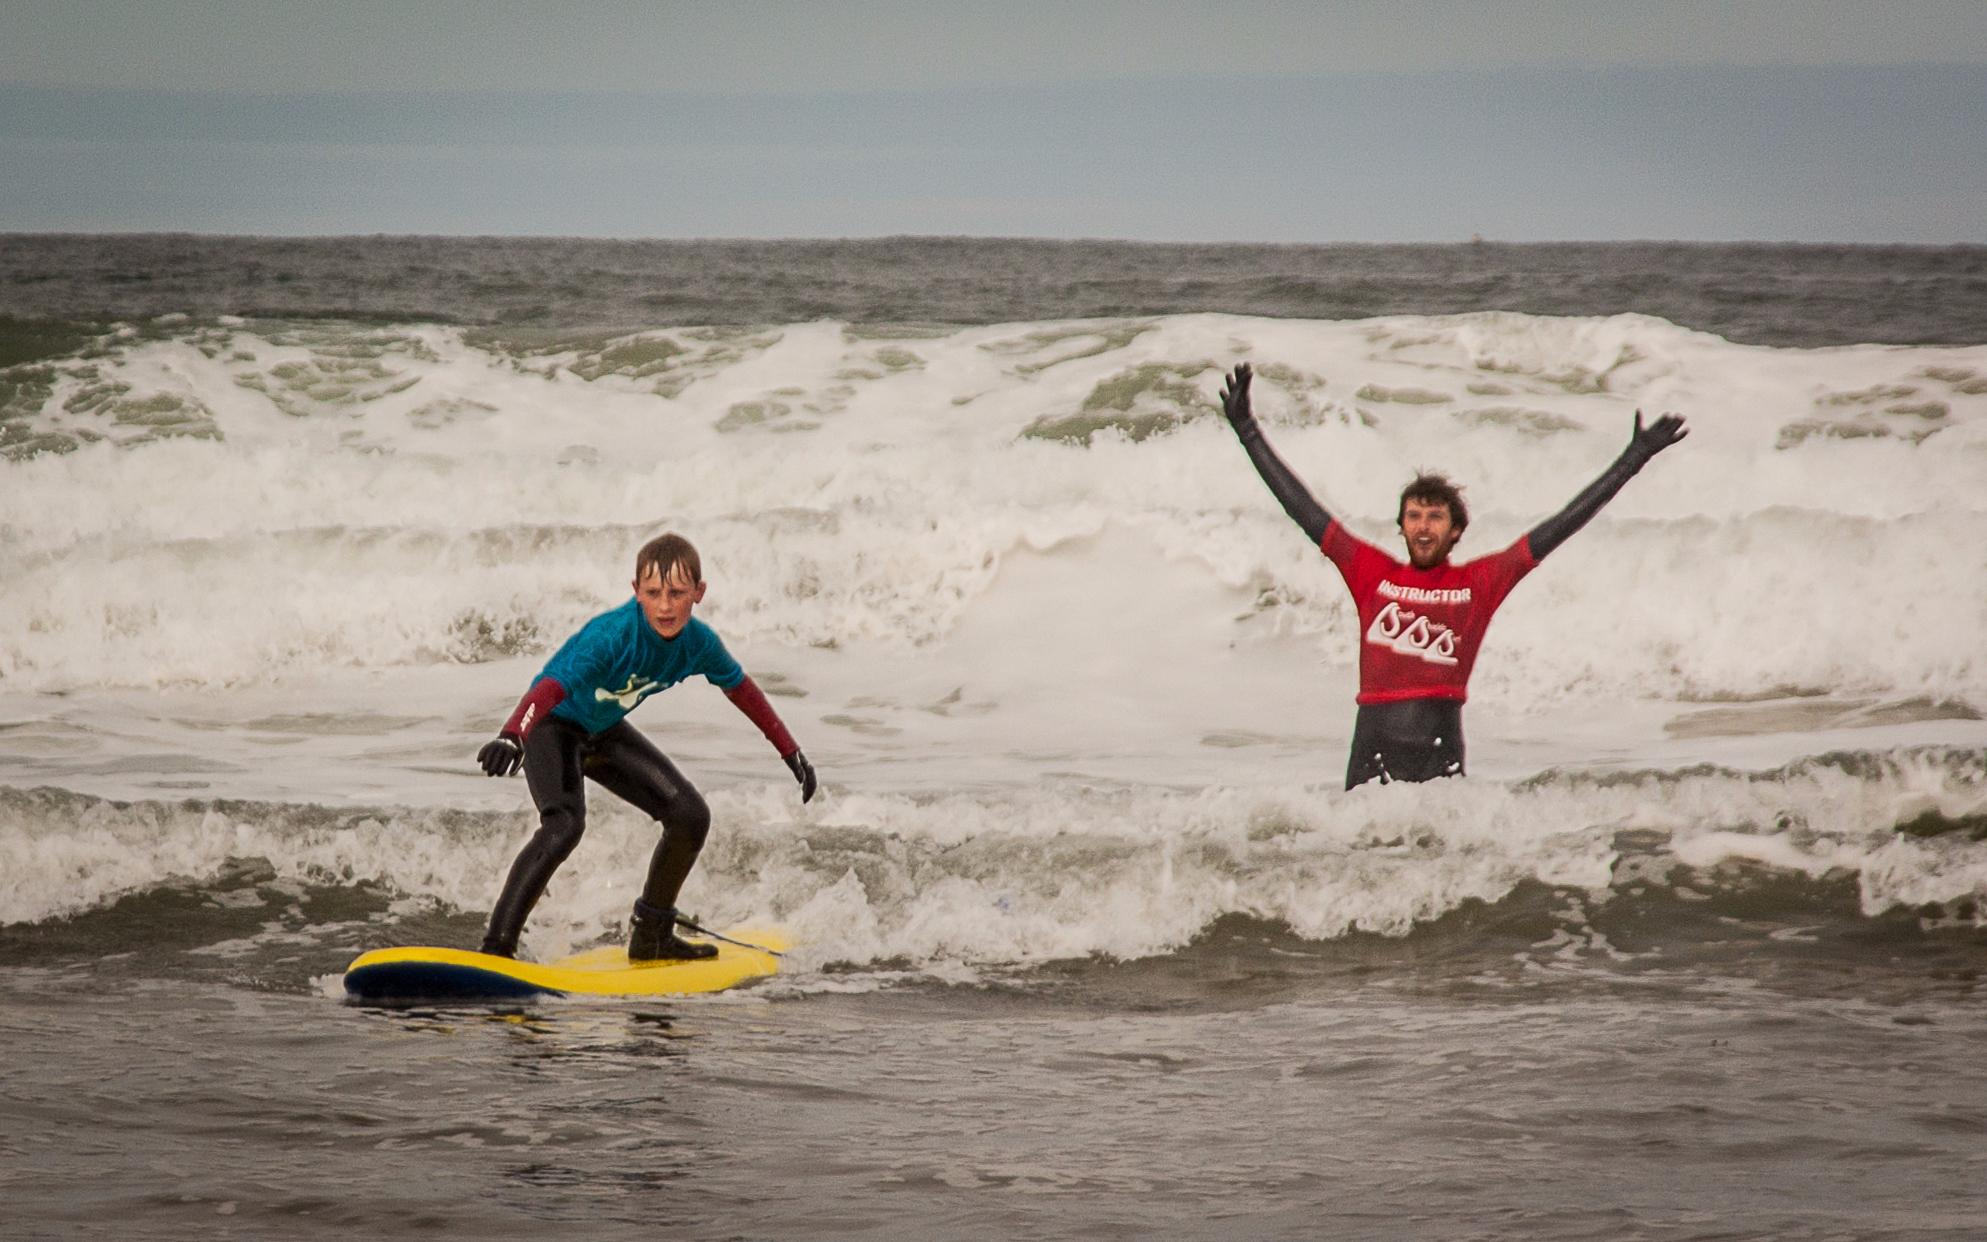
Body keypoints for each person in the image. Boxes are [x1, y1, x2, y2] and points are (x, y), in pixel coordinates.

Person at [1216, 362, 1686, 789]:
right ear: (1401, 526)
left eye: (1435, 516)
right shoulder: (1369, 571)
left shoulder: (1480, 582)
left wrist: (1633, 459)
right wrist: (1248, 431)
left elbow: (1562, 524)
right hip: (1371, 748)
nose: (1423, 525)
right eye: (1414, 516)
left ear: (1456, 529)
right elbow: (1302, 509)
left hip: (1438, 748)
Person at [473, 532, 817, 960]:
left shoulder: (700, 644)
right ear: (636, 592)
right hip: (551, 728)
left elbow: (742, 690)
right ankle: (496, 949)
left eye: (677, 593)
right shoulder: (611, 636)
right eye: (653, 593)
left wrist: (791, 751)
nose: (666, 606)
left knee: (689, 816)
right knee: (564, 826)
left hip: (603, 729)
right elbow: (550, 688)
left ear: (699, 593)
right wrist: (513, 733)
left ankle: (652, 935)